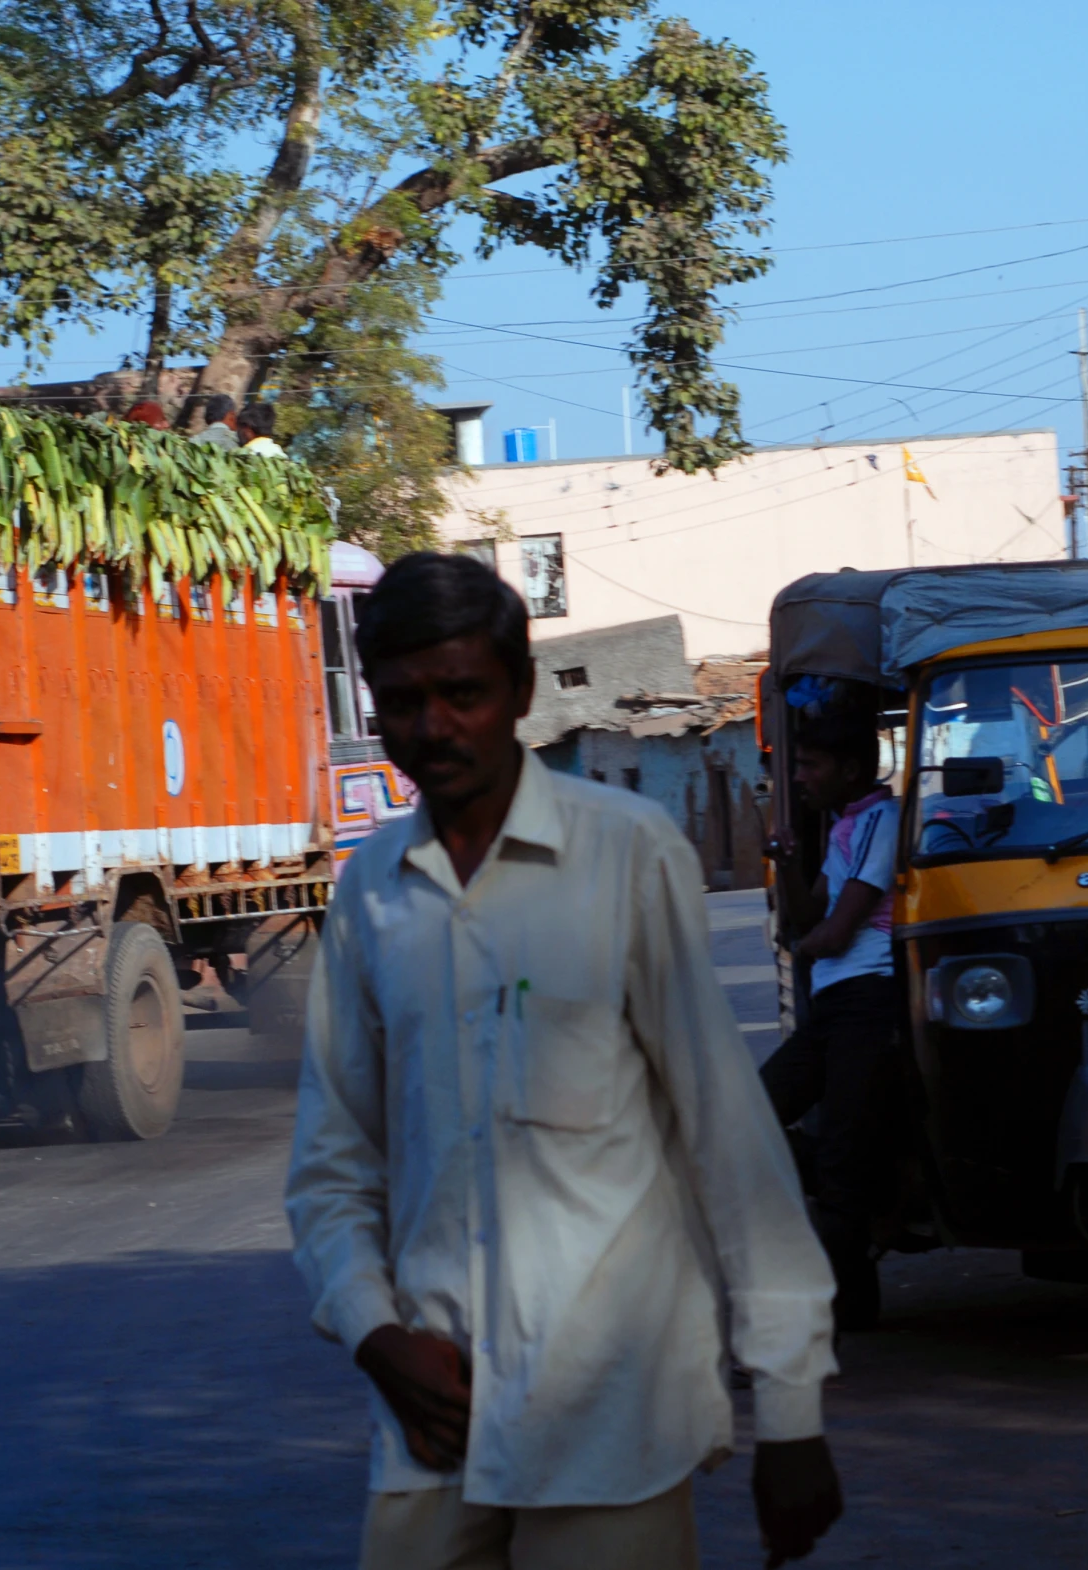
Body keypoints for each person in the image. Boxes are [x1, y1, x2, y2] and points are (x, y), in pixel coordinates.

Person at [287, 552, 842, 1570]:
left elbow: (727, 1135)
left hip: (610, 1414)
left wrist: (792, 1405)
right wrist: (373, 1331)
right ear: (373, 702)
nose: (432, 725)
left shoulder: (627, 856)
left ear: (519, 693)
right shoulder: (369, 894)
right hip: (433, 1420)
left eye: (462, 692)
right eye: (404, 699)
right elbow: (330, 1162)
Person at [762, 719, 904, 1331]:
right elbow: (806, 916)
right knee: (752, 1113)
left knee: (842, 1163)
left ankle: (849, 1312)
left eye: (809, 765)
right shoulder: (847, 826)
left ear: (850, 769)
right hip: (835, 1003)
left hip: (869, 1000)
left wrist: (811, 943)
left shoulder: (885, 821)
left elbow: (833, 931)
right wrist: (787, 864)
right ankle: (877, 1200)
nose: (798, 776)